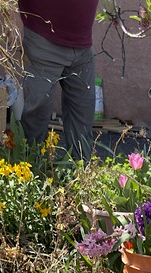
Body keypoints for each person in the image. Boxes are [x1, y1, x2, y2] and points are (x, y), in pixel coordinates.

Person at [18, 0, 99, 161]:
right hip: (43, 38)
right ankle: (30, 170)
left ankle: (81, 173)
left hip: (82, 45)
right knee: (37, 109)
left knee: (83, 111)